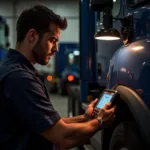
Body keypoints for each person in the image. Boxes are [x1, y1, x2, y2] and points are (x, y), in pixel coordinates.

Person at [0, 5, 116, 150]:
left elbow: (50, 124)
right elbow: (62, 138)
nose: (56, 49)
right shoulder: (19, 78)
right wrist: (99, 122)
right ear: (32, 36)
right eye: (52, 40)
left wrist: (84, 118)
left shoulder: (14, 68)